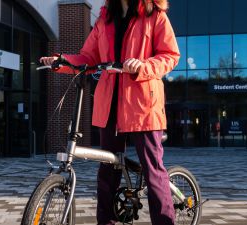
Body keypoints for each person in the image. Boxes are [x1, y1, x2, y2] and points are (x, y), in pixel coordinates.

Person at [40, 0, 180, 224]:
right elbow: (88, 58)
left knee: (153, 171)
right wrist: (62, 61)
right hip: (110, 106)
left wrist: (143, 66)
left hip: (144, 106)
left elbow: (170, 55)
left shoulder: (155, 16)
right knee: (107, 173)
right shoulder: (104, 21)